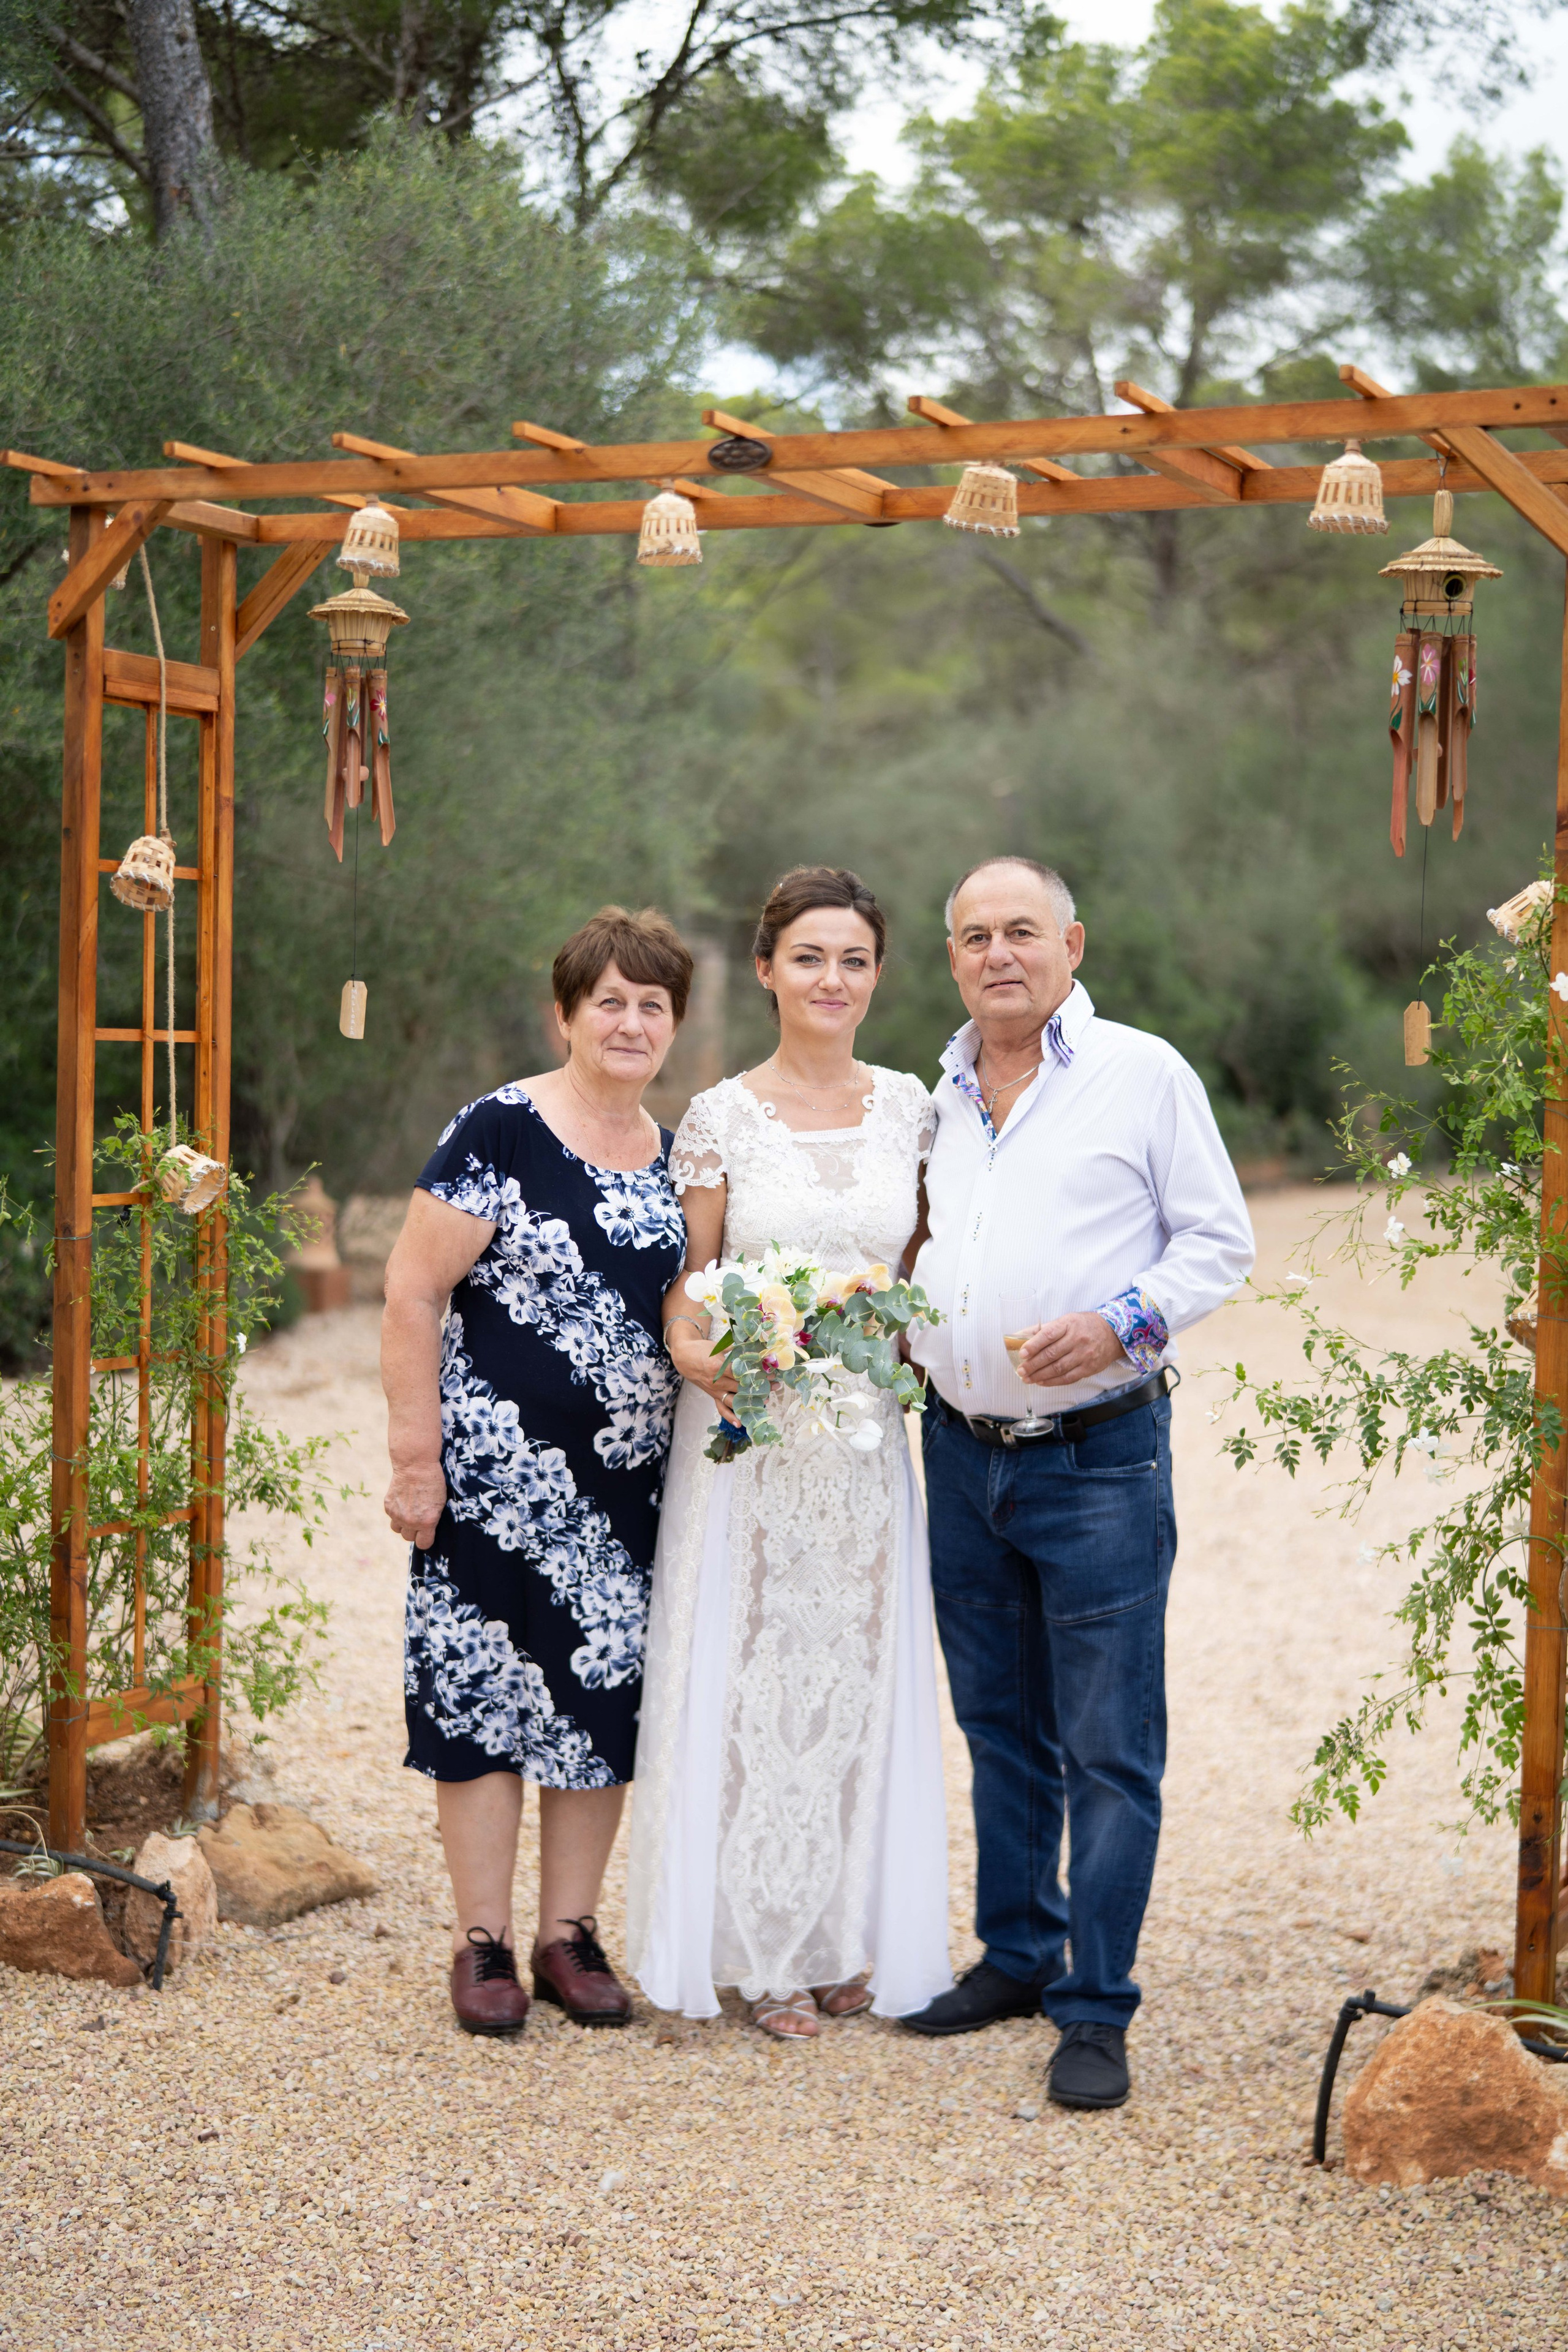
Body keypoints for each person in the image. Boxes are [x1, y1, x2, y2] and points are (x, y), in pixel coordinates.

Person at [901, 856, 1253, 2111]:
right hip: (958, 1453)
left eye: (1021, 931)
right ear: (952, 958)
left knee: (1109, 1747)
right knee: (999, 1726)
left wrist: (1118, 1322)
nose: (998, 953)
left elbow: (1219, 1242)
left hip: (1098, 1456)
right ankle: (1017, 1953)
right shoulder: (936, 1098)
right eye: (974, 936)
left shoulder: (1141, 1074)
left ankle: (1095, 2006)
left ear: (1072, 944)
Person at [626, 866, 952, 2038]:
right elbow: (692, 1280)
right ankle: (757, 1950)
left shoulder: (914, 1109)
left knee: (853, 1675)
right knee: (752, 1676)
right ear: (766, 969)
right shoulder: (722, 1116)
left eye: (854, 959)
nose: (832, 979)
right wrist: (696, 1346)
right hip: (751, 1435)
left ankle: (838, 1936)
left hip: (863, 1443)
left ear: (878, 976)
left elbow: (920, 1268)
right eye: (809, 957)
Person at [382, 907, 693, 2036]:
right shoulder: (499, 1132)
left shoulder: (678, 1159)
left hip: (624, 1494)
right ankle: (483, 1943)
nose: (630, 1022)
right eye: (609, 1001)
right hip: (489, 1486)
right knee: (481, 1700)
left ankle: (569, 1938)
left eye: (652, 1004)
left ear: (673, 1026)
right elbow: (413, 1291)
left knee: (595, 1708)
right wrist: (416, 1458)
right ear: (566, 1014)